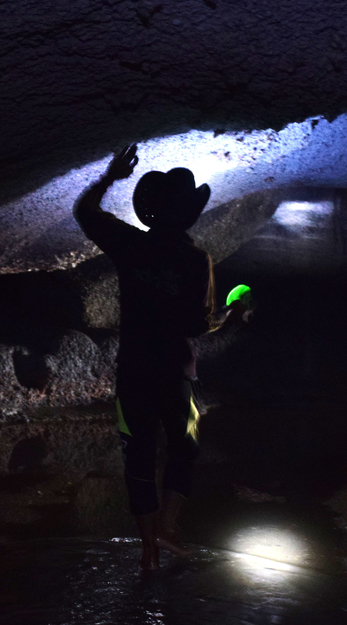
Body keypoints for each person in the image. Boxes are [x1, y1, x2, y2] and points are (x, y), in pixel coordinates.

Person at [75, 144, 245, 570]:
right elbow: (197, 326)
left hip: (134, 370)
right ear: (188, 214)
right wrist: (233, 314)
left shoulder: (130, 245)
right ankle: (168, 528)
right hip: (175, 372)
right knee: (184, 448)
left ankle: (149, 547)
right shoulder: (195, 260)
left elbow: (84, 211)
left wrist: (111, 176)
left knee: (139, 455)